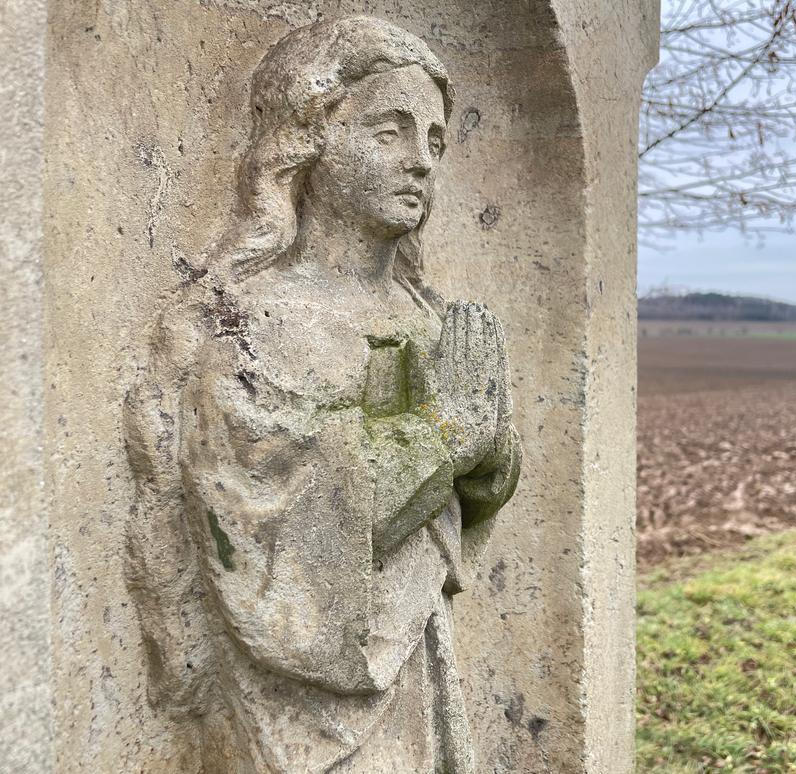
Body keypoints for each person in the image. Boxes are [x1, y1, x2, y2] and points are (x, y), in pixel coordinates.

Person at [123, 16, 521, 773]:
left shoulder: (423, 317)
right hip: (297, 704)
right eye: (390, 132)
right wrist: (448, 432)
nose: (421, 163)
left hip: (415, 667)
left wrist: (490, 444)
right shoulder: (258, 319)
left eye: (435, 142)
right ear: (310, 138)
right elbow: (273, 518)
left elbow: (476, 492)